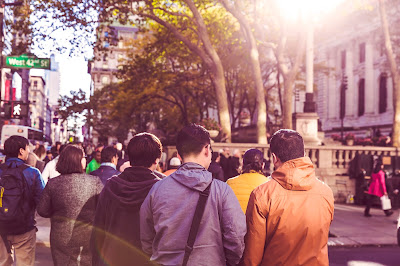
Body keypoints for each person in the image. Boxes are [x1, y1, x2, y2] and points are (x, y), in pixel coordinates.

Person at [140, 124, 246, 266]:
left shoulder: (157, 189)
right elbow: (236, 237)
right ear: (207, 150)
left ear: (178, 155)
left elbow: (146, 238)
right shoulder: (221, 191)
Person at [241, 129, 334, 266]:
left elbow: (253, 254)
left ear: (274, 158)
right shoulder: (326, 192)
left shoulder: (262, 194)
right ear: (303, 154)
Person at [91, 133, 162, 266]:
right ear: (157, 160)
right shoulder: (161, 188)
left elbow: (98, 231)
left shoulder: (111, 185)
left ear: (129, 157)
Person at [37, 145, 104, 265]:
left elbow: (42, 210)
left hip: (60, 235)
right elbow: (103, 208)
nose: (85, 159)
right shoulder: (94, 182)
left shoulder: (53, 183)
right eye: (83, 157)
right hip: (87, 235)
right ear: (78, 160)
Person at [0, 135, 45, 266]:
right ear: (21, 151)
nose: (29, 152)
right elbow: (42, 202)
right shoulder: (33, 173)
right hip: (24, 228)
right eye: (27, 149)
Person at [226, 149, 270, 213]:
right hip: (258, 222)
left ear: (242, 164)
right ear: (262, 165)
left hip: (235, 222)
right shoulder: (269, 184)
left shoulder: (229, 183)